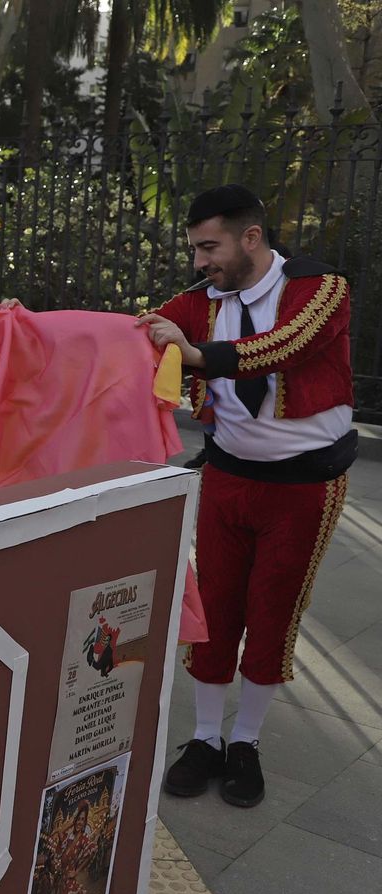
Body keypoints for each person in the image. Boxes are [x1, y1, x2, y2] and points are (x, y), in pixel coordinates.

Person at [143, 185, 355, 809]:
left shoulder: (321, 289)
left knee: (273, 613)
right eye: (195, 249)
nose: (199, 261)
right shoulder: (197, 302)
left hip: (305, 487)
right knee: (213, 609)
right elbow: (132, 336)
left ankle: (248, 741)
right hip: (229, 479)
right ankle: (207, 737)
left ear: (251, 238)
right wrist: (28, 326)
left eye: (209, 247)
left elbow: (282, 348)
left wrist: (196, 355)